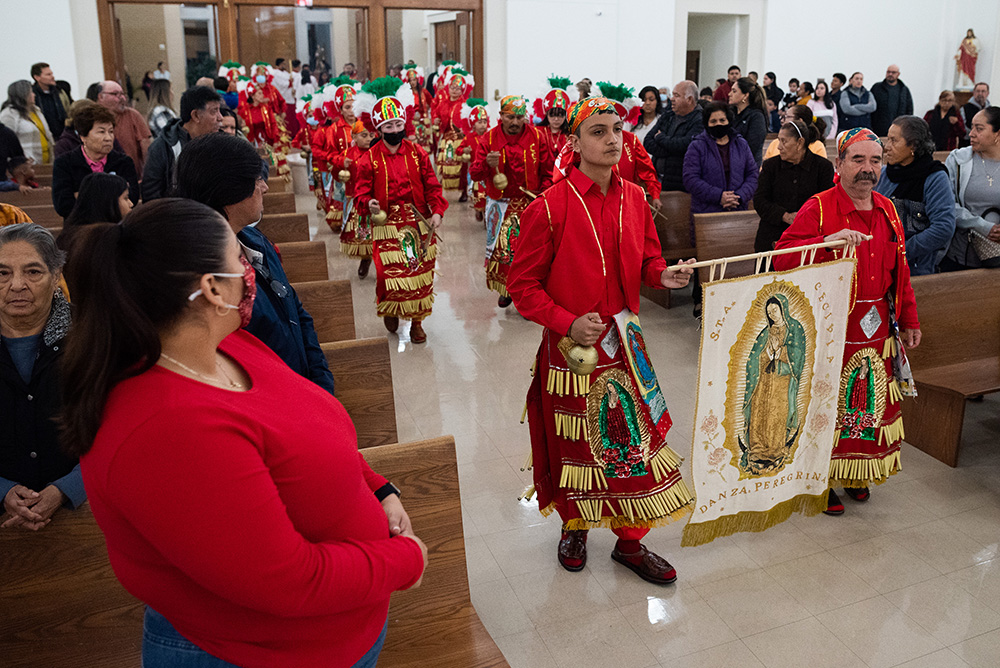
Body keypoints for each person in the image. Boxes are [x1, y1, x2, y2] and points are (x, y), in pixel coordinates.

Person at [59, 197, 426, 667]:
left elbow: (309, 428)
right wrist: (406, 559)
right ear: (212, 288)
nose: (251, 267)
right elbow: (287, 581)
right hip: (259, 652)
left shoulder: (227, 343)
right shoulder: (167, 430)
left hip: (338, 631)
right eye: (239, 256)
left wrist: (378, 489)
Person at [507, 96, 695, 583]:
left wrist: (662, 275)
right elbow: (522, 287)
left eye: (617, 129)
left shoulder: (635, 197)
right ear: (573, 142)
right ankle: (575, 527)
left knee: (633, 443)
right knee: (576, 446)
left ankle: (630, 543)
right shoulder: (549, 207)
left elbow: (648, 260)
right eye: (598, 131)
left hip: (626, 343)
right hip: (572, 350)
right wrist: (567, 322)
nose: (613, 139)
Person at [774, 128, 920, 515]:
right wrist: (825, 244)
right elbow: (782, 256)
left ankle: (854, 470)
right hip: (830, 327)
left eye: (875, 160)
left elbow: (901, 271)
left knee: (865, 403)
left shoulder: (888, 210)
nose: (867, 168)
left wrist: (909, 318)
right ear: (839, 164)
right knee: (826, 404)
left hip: (877, 328)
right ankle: (819, 479)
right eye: (858, 159)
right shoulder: (819, 207)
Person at [174, 133, 336, 397]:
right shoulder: (206, 277)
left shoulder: (254, 241)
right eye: (256, 179)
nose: (265, 187)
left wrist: (320, 384)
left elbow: (295, 310)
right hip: (270, 401)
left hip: (301, 389)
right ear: (230, 190)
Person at [0, 224, 84, 530]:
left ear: (56, 273)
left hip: (86, 518)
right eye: (2, 273)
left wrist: (68, 488)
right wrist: (2, 489)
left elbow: (118, 429)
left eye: (33, 272)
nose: (17, 285)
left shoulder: (91, 337)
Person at [354, 79, 446, 343]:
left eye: (398, 124)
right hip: (386, 224)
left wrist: (437, 211)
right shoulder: (369, 159)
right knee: (388, 273)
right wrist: (368, 203)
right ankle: (391, 306)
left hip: (418, 221)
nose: (395, 130)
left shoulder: (418, 153)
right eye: (389, 126)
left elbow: (432, 186)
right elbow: (360, 194)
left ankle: (417, 322)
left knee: (420, 273)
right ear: (379, 129)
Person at [469, 94, 553, 307]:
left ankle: (528, 294)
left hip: (530, 203)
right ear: (501, 116)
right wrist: (486, 164)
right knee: (505, 251)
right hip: (500, 205)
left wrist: (543, 196)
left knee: (530, 252)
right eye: (510, 117)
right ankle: (507, 289)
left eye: (519, 117)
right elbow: (475, 174)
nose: (515, 122)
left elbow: (548, 172)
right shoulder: (488, 139)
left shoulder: (537, 138)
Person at [875, 116, 955, 276]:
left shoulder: (934, 177)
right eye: (887, 140)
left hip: (915, 267)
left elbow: (943, 227)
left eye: (894, 141)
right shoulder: (884, 174)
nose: (886, 147)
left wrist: (901, 250)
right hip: (879, 261)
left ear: (913, 145)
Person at [754, 118, 835, 251]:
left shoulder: (822, 167)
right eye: (779, 141)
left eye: (784, 141)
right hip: (772, 235)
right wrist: (785, 216)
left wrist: (804, 218)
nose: (779, 146)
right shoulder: (770, 166)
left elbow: (826, 203)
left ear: (800, 142)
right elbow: (759, 200)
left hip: (809, 236)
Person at [52, 103, 139, 219]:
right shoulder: (65, 163)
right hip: (80, 226)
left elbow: (132, 197)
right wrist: (112, 197)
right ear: (83, 136)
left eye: (111, 132)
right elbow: (63, 205)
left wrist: (83, 196)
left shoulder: (123, 162)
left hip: (116, 224)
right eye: (101, 132)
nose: (108, 138)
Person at [941, 106, 1000, 271]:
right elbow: (947, 203)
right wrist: (983, 226)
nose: (971, 134)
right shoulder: (958, 160)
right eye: (972, 127)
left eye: (979, 129)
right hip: (960, 254)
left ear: (997, 133)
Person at [142, 86, 223, 201]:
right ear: (195, 115)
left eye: (219, 111)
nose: (220, 118)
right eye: (214, 111)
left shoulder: (220, 143)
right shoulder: (164, 147)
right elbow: (151, 195)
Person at [683, 101, 758, 215]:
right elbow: (690, 179)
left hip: (737, 209)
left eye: (722, 120)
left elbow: (752, 174)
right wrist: (719, 196)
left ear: (729, 121)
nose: (718, 124)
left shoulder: (741, 144)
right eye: (713, 121)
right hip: (706, 211)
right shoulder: (697, 146)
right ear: (707, 124)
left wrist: (738, 197)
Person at [644, 80, 703, 191]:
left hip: (680, 184)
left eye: (677, 95)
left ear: (689, 99)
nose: (672, 99)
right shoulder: (668, 116)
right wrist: (670, 151)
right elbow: (647, 141)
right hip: (656, 179)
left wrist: (660, 138)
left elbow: (685, 145)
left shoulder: (700, 120)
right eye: (672, 95)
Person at [59, 172, 132, 251]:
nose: (131, 204)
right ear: (107, 202)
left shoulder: (70, 236)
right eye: (126, 198)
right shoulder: (106, 241)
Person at [338, 120, 375, 278]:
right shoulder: (348, 154)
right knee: (363, 233)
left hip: (376, 199)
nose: (368, 139)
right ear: (353, 136)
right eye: (364, 135)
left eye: (371, 135)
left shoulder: (377, 152)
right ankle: (366, 258)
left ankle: (383, 262)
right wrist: (341, 163)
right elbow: (336, 173)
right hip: (357, 199)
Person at [95, 80, 151, 178]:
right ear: (101, 97)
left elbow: (145, 144)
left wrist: (147, 173)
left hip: (132, 176)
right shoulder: (93, 118)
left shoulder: (133, 115)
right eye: (115, 94)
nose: (122, 98)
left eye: (123, 94)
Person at [433, 68, 473, 194]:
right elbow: (436, 115)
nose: (454, 91)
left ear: (462, 91)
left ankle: (464, 191)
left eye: (458, 89)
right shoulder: (443, 103)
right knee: (446, 164)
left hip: (460, 139)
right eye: (452, 87)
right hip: (446, 139)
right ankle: (446, 187)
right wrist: (435, 120)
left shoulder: (465, 105)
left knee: (462, 165)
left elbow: (469, 122)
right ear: (448, 88)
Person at [1, 81, 55, 165]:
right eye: (31, 92)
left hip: (46, 162)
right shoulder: (9, 114)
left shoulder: (36, 111)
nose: (34, 95)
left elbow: (47, 133)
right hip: (27, 164)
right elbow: (6, 141)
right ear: (23, 94)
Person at [763, 105, 827, 161]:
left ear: (800, 121)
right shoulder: (775, 143)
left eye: (787, 117)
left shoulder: (816, 146)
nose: (782, 120)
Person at [728, 77, 768, 165]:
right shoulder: (730, 114)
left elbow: (751, 147)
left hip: (747, 166)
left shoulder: (756, 117)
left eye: (734, 91)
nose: (729, 94)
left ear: (745, 96)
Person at [532, 77, 574, 159]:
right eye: (552, 115)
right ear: (546, 115)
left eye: (560, 115)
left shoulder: (570, 134)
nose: (556, 119)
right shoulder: (538, 132)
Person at [870, 65, 914, 137]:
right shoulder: (877, 88)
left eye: (893, 72)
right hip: (879, 128)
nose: (890, 74)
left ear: (898, 74)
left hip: (898, 128)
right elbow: (870, 107)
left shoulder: (904, 90)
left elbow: (909, 109)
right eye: (888, 72)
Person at [30, 63, 70, 140]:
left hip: (63, 136)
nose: (52, 77)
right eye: (48, 74)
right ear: (37, 77)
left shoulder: (60, 92)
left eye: (52, 74)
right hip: (42, 138)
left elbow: (68, 111)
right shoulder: (32, 96)